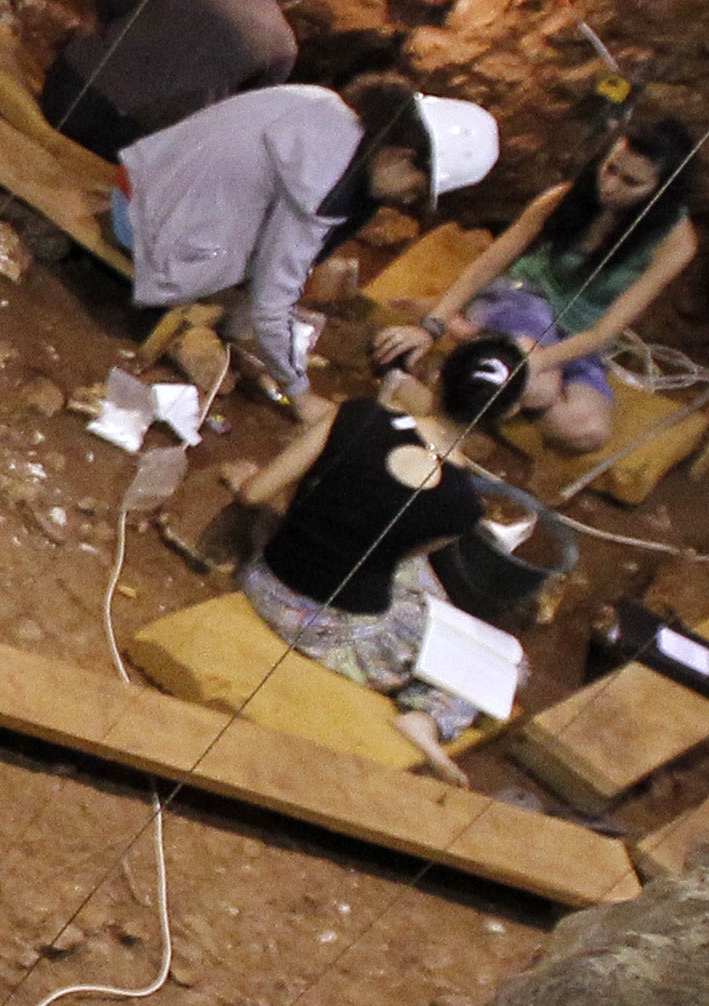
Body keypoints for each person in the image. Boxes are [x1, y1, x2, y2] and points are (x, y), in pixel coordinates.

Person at [227, 334, 532, 780]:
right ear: (507, 413)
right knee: (508, 666)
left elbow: (256, 493)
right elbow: (399, 559)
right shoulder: (463, 507)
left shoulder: (355, 415)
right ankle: (426, 720)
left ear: (436, 376)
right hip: (328, 627)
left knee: (413, 581)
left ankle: (425, 690)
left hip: (267, 576)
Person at [115, 82, 498, 406]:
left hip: (140, 181)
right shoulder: (321, 181)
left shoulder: (327, 108)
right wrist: (300, 395)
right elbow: (272, 301)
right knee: (267, 290)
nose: (406, 201)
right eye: (415, 190)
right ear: (403, 157)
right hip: (144, 228)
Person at [374, 118, 703, 454]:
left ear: (662, 191)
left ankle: (472, 341)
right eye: (610, 168)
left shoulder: (676, 244)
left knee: (587, 432)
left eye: (631, 181)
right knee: (540, 390)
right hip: (524, 300)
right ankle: (470, 344)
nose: (610, 185)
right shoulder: (563, 198)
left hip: (580, 336)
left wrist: (532, 363)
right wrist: (433, 325)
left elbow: (604, 333)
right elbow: (489, 263)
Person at [39, 0, 296, 155]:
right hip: (132, 142)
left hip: (68, 94)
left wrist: (115, 19)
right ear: (295, 0)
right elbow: (241, 113)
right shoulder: (283, 46)